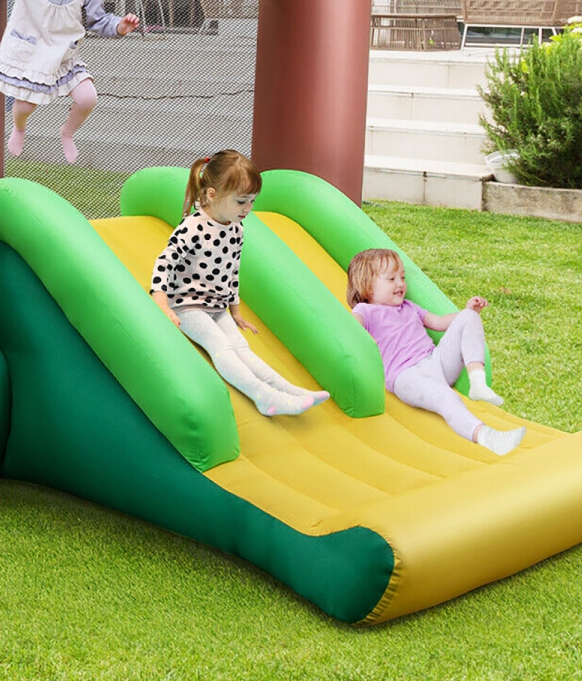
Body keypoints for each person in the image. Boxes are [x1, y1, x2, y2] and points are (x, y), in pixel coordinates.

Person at [151, 150, 329, 418]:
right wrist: (162, 304)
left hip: (217, 306)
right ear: (212, 194)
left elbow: (232, 270)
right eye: (241, 201)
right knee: (220, 346)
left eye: (252, 201)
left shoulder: (236, 227)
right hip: (187, 305)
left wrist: (235, 311)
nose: (248, 209)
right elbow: (164, 262)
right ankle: (264, 397)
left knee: (242, 349)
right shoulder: (193, 227)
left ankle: (290, 391)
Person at [346, 248, 524, 455]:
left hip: (435, 361)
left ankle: (477, 381)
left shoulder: (409, 307)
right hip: (406, 375)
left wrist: (467, 312)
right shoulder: (366, 312)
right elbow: (351, 330)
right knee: (448, 398)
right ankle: (488, 437)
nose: (401, 283)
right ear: (367, 286)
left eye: (402, 277)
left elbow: (439, 322)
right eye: (391, 278)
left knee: (469, 317)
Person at [0, 0, 139, 163]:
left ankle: (67, 133)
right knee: (25, 106)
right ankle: (19, 127)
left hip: (64, 57)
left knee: (87, 98)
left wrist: (119, 26)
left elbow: (99, 21)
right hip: (32, 57)